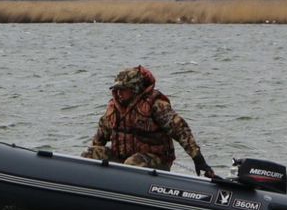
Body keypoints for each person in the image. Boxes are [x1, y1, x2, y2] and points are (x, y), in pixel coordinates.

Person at [81, 65, 216, 178]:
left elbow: (181, 131)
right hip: (122, 158)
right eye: (116, 90)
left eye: (123, 90)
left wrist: (198, 159)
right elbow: (100, 137)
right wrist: (95, 152)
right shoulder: (113, 108)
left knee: (132, 163)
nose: (118, 94)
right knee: (90, 154)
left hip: (155, 161)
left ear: (134, 89)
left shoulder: (155, 105)